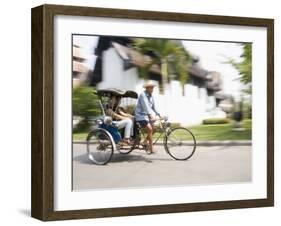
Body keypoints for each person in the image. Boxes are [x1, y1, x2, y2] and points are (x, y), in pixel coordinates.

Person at [135, 80, 160, 154]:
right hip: (140, 116)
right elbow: (146, 107)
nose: (152, 89)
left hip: (146, 116)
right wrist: (150, 115)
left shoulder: (151, 96)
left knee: (154, 129)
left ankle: (145, 142)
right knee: (150, 129)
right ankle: (151, 148)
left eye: (153, 87)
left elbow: (154, 106)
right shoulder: (143, 95)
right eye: (151, 88)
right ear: (147, 88)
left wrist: (158, 114)